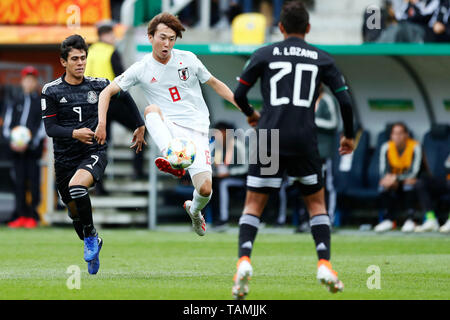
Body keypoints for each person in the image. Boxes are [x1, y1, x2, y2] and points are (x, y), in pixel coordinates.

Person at [231, 1, 355, 299]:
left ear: (280, 27)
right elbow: (346, 102)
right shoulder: (321, 58)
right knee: (316, 205)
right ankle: (324, 262)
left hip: (268, 135)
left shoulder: (263, 53)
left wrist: (250, 113)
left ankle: (245, 260)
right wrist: (349, 136)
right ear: (308, 28)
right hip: (303, 136)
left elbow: (239, 94)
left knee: (253, 206)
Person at [94, 13, 242, 237]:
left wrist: (244, 107)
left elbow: (214, 83)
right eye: (162, 37)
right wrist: (102, 123)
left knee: (205, 189)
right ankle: (172, 159)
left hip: (198, 129)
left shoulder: (188, 59)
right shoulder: (142, 68)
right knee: (150, 111)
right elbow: (107, 92)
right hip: (169, 127)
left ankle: (194, 211)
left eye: (172, 39)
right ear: (151, 36)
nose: (167, 43)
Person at [41, 35, 145, 275]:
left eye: (83, 58)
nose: (80, 63)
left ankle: (90, 236)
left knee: (78, 187)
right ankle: (91, 238)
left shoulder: (99, 85)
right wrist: (75, 133)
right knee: (73, 210)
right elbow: (50, 129)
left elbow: (125, 95)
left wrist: (139, 124)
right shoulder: (51, 91)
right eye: (75, 59)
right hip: (65, 159)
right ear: (63, 62)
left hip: (93, 152)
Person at [85, 23, 145, 191]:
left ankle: (99, 185)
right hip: (113, 100)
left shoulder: (90, 52)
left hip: (96, 104)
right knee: (139, 128)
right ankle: (138, 171)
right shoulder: (111, 52)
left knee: (101, 144)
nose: (114, 39)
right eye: (112, 35)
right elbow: (122, 79)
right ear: (105, 35)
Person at [4, 66, 45, 228]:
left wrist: (30, 142)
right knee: (18, 182)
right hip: (16, 151)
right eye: (26, 79)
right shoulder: (14, 102)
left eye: (32, 80)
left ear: (35, 82)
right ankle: (19, 215)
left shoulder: (40, 103)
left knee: (33, 182)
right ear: (22, 81)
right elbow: (7, 126)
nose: (29, 82)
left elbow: (43, 127)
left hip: (33, 151)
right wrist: (13, 142)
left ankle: (32, 216)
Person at [374, 122, 422, 233]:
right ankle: (388, 220)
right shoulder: (386, 146)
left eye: (400, 133)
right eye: (395, 133)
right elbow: (383, 171)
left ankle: (410, 220)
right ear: (391, 135)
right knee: (383, 184)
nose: (398, 136)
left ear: (406, 135)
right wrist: (389, 179)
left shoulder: (415, 146)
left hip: (409, 180)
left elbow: (415, 172)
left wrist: (396, 178)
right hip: (394, 182)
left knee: (409, 184)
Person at [210, 121, 248, 230]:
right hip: (218, 178)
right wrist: (214, 172)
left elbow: (245, 168)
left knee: (223, 183)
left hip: (239, 179)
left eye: (221, 132)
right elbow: (208, 163)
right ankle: (205, 219)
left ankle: (223, 219)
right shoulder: (214, 146)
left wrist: (229, 173)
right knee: (208, 184)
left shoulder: (238, 145)